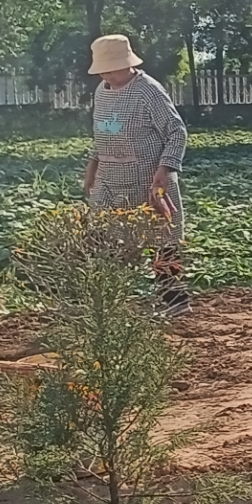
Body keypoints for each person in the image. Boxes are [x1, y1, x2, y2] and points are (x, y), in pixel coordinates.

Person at [82, 34, 190, 314]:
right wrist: (92, 164)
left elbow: (176, 132)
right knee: (101, 234)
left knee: (162, 238)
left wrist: (165, 170)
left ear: (128, 63)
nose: (108, 74)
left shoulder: (148, 90)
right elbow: (102, 133)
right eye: (103, 70)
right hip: (109, 176)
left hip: (148, 178)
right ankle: (111, 301)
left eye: (114, 68)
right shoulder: (101, 91)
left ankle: (174, 301)